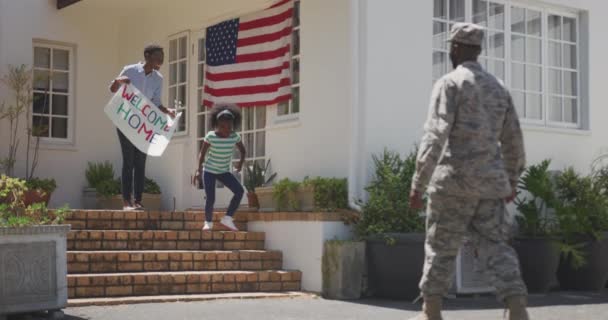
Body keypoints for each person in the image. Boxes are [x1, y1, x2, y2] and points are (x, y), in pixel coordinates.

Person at [408, 23, 529, 320]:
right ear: (479, 50)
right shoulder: (499, 88)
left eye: (452, 46)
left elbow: (435, 136)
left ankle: (431, 312)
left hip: (453, 185)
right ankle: (516, 308)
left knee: (441, 248)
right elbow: (514, 140)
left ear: (456, 48)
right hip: (490, 185)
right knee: (497, 248)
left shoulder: (449, 83)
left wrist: (418, 183)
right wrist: (511, 180)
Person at [109, 44, 175, 210]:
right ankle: (126, 201)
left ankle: (138, 200)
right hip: (126, 120)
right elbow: (113, 89)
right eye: (157, 56)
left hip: (144, 124)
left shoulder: (158, 78)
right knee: (128, 160)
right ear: (147, 55)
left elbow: (156, 103)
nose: (161, 60)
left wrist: (167, 111)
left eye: (162, 57)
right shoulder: (130, 70)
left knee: (141, 162)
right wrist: (119, 81)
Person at [192, 105, 246, 231]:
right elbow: (202, 154)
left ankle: (227, 218)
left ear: (232, 126)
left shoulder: (234, 137)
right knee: (211, 197)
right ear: (216, 125)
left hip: (223, 171)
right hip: (209, 171)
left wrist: (240, 164)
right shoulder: (211, 136)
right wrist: (198, 170)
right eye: (222, 127)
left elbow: (243, 151)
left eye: (229, 127)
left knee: (239, 191)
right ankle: (208, 222)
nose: (226, 130)